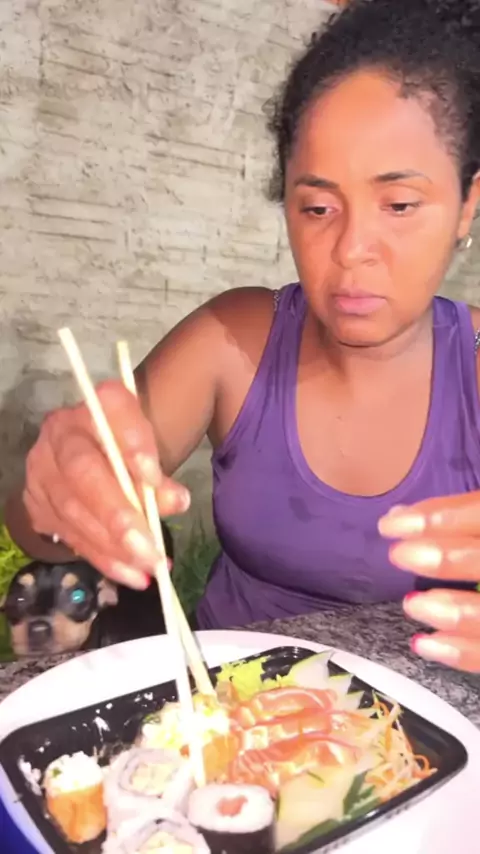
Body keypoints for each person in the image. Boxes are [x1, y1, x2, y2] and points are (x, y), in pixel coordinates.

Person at [4, 0, 480, 672]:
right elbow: (44, 530)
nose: (352, 249)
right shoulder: (233, 341)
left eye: (400, 205)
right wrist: (59, 494)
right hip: (220, 709)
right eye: (317, 207)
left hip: (424, 720)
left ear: (466, 204)